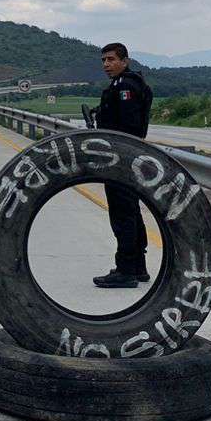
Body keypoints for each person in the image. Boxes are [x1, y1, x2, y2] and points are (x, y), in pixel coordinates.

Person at [92, 42, 155, 289]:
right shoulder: (125, 84)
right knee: (131, 212)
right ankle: (138, 267)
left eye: (111, 59)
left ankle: (126, 270)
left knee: (122, 214)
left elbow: (129, 128)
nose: (106, 65)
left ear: (125, 61)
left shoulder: (125, 87)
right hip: (126, 157)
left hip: (121, 158)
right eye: (104, 60)